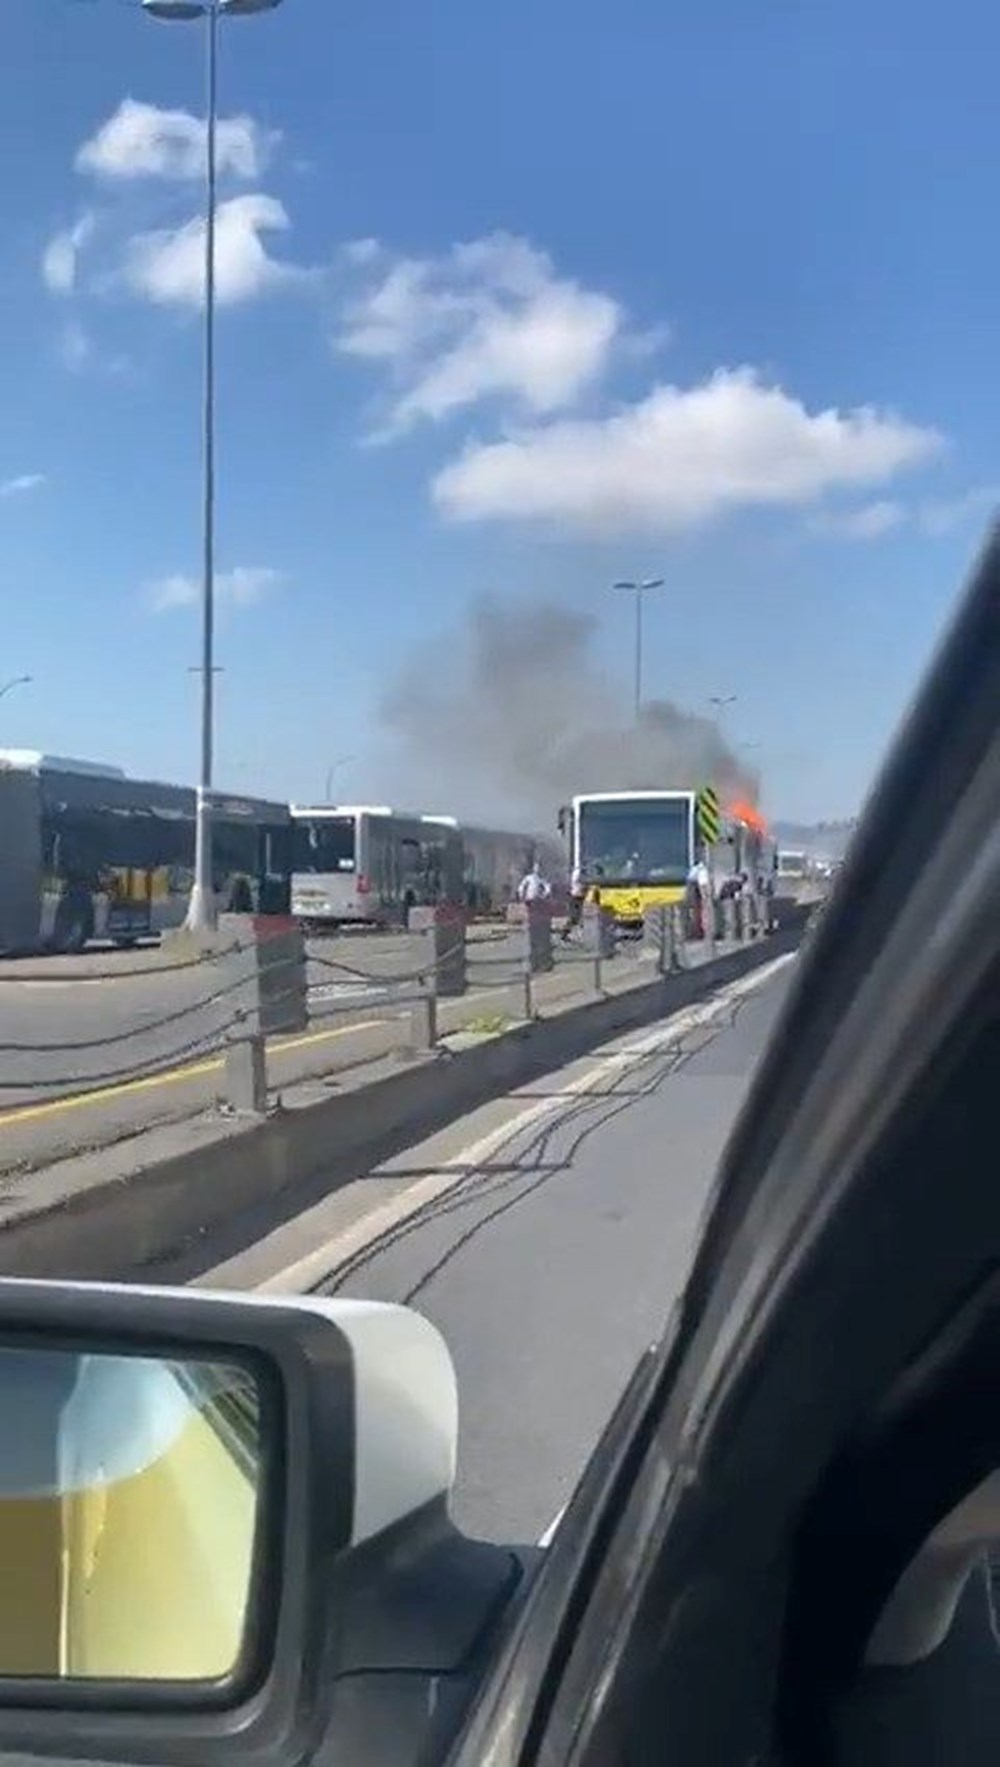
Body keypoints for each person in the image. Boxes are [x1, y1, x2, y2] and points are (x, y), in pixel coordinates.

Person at [561, 864, 587, 942]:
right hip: (575, 897)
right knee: (574, 917)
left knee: (578, 918)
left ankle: (573, 934)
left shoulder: (581, 873)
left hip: (580, 897)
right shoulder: (577, 873)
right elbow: (577, 883)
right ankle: (564, 934)